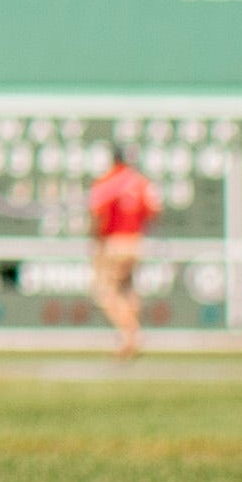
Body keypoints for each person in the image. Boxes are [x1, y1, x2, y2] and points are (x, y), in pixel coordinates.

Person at [88, 146, 160, 360]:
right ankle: (129, 338)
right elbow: (153, 212)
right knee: (127, 291)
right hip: (136, 241)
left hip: (114, 242)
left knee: (105, 292)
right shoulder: (141, 182)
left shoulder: (107, 182)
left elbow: (98, 216)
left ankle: (131, 335)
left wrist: (97, 242)